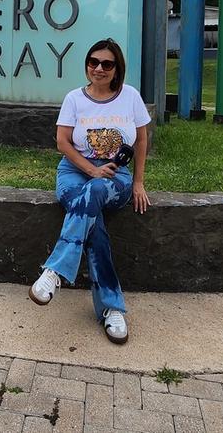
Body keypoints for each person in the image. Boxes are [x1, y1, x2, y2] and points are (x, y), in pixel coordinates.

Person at [28, 38, 151, 344]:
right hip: (73, 173)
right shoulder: (74, 99)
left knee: (96, 191)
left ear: (116, 68)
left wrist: (138, 182)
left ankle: (54, 271)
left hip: (116, 178)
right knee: (93, 225)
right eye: (93, 62)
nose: (98, 68)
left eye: (106, 64)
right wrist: (90, 169)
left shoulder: (130, 96)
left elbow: (142, 141)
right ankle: (111, 308)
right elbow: (63, 143)